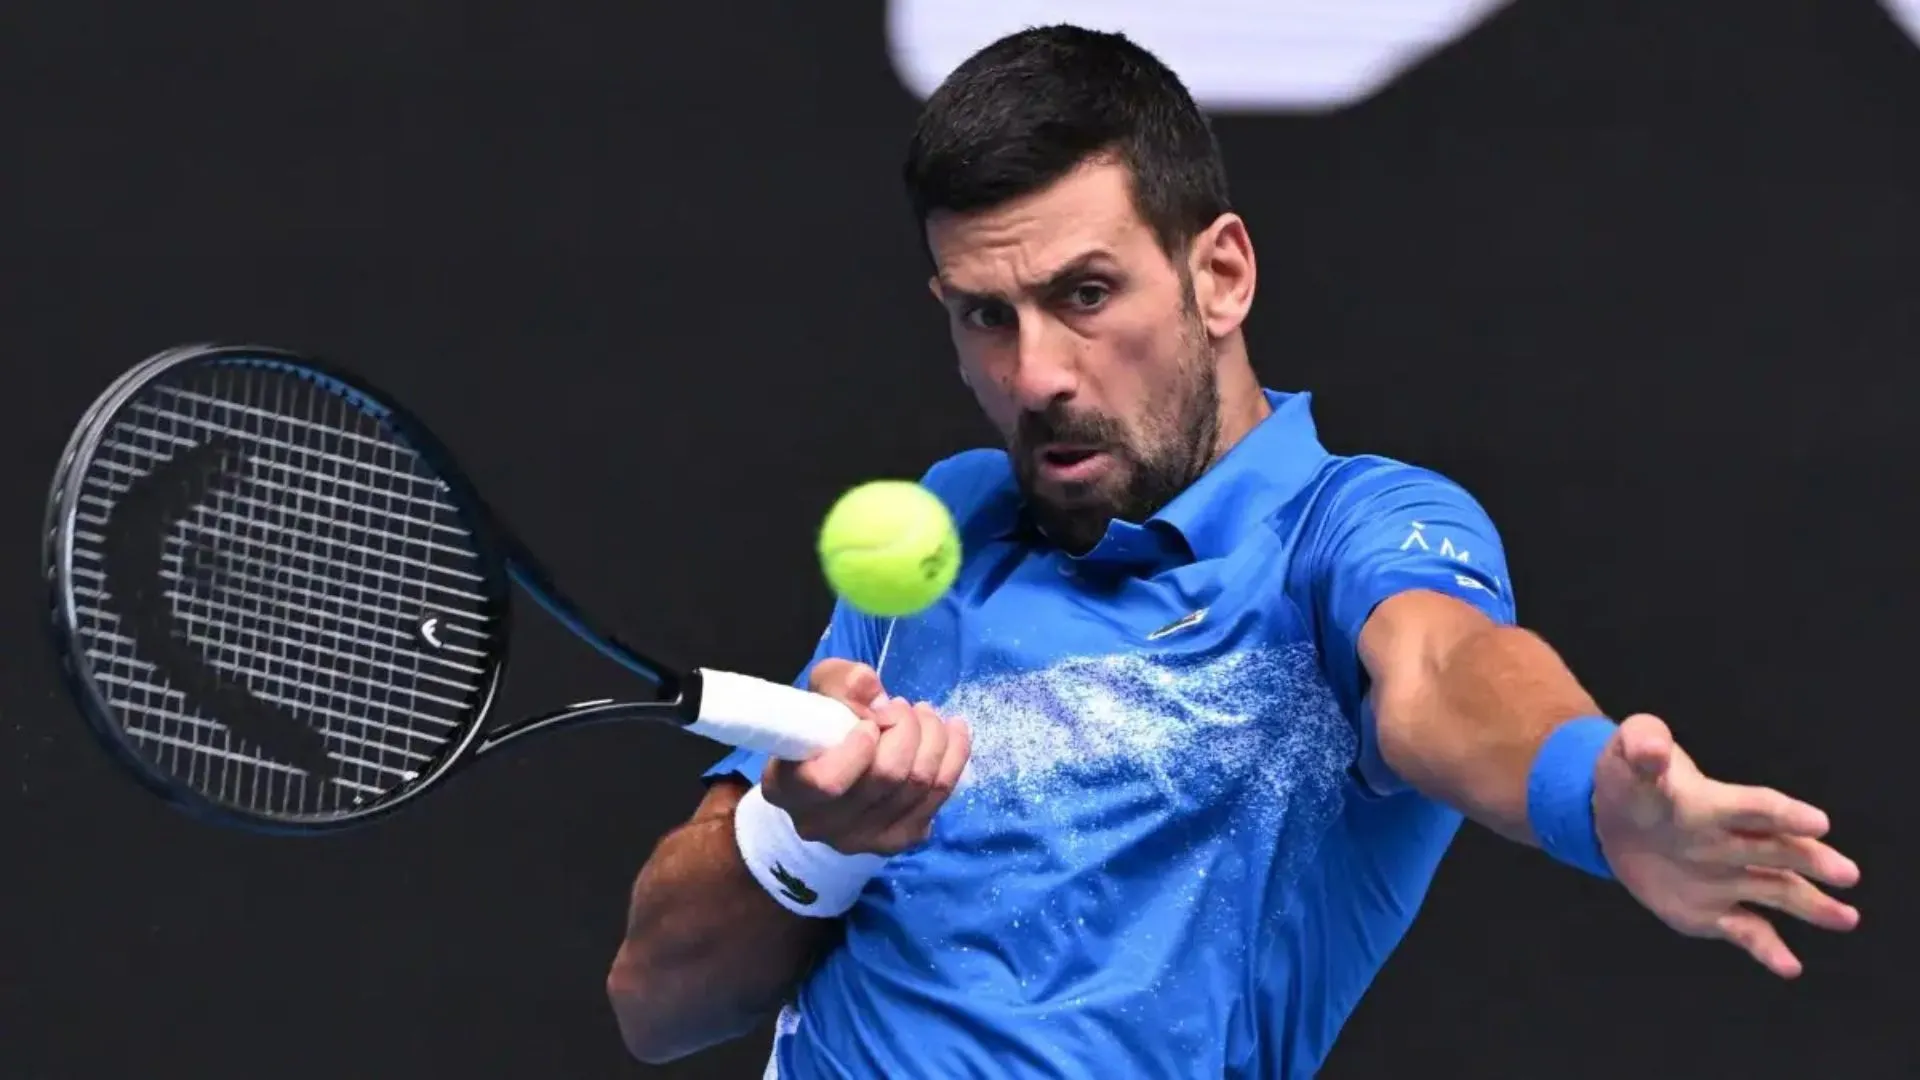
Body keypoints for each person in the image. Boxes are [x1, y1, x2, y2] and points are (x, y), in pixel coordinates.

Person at [605, 24, 1861, 1078]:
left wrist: (1587, 790)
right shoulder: (936, 535)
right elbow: (655, 1004)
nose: (1036, 375)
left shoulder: (1342, 533)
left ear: (1221, 276)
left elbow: (1441, 673)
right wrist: (807, 835)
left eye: (1086, 296)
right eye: (989, 316)